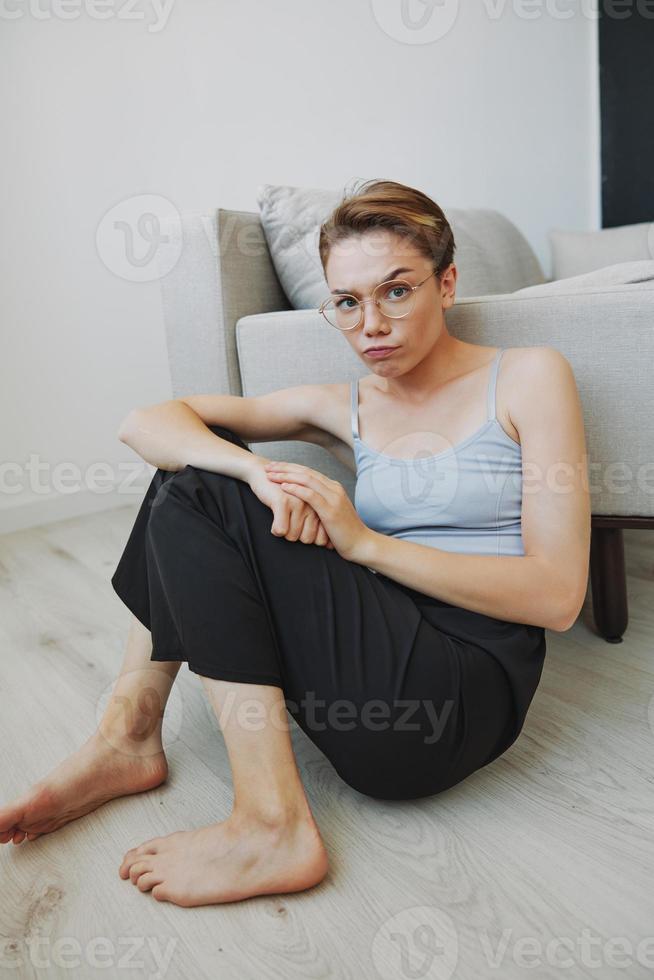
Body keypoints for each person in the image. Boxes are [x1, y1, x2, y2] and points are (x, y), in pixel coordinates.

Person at [0, 179, 591, 908]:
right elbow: (146, 421)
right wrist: (253, 468)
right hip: (378, 657)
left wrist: (364, 543)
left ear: (447, 283)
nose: (371, 324)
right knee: (199, 468)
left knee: (201, 488)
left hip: (457, 697)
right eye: (348, 302)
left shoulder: (529, 376)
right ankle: (127, 735)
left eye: (397, 291)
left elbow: (559, 598)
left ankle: (271, 823)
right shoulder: (341, 407)